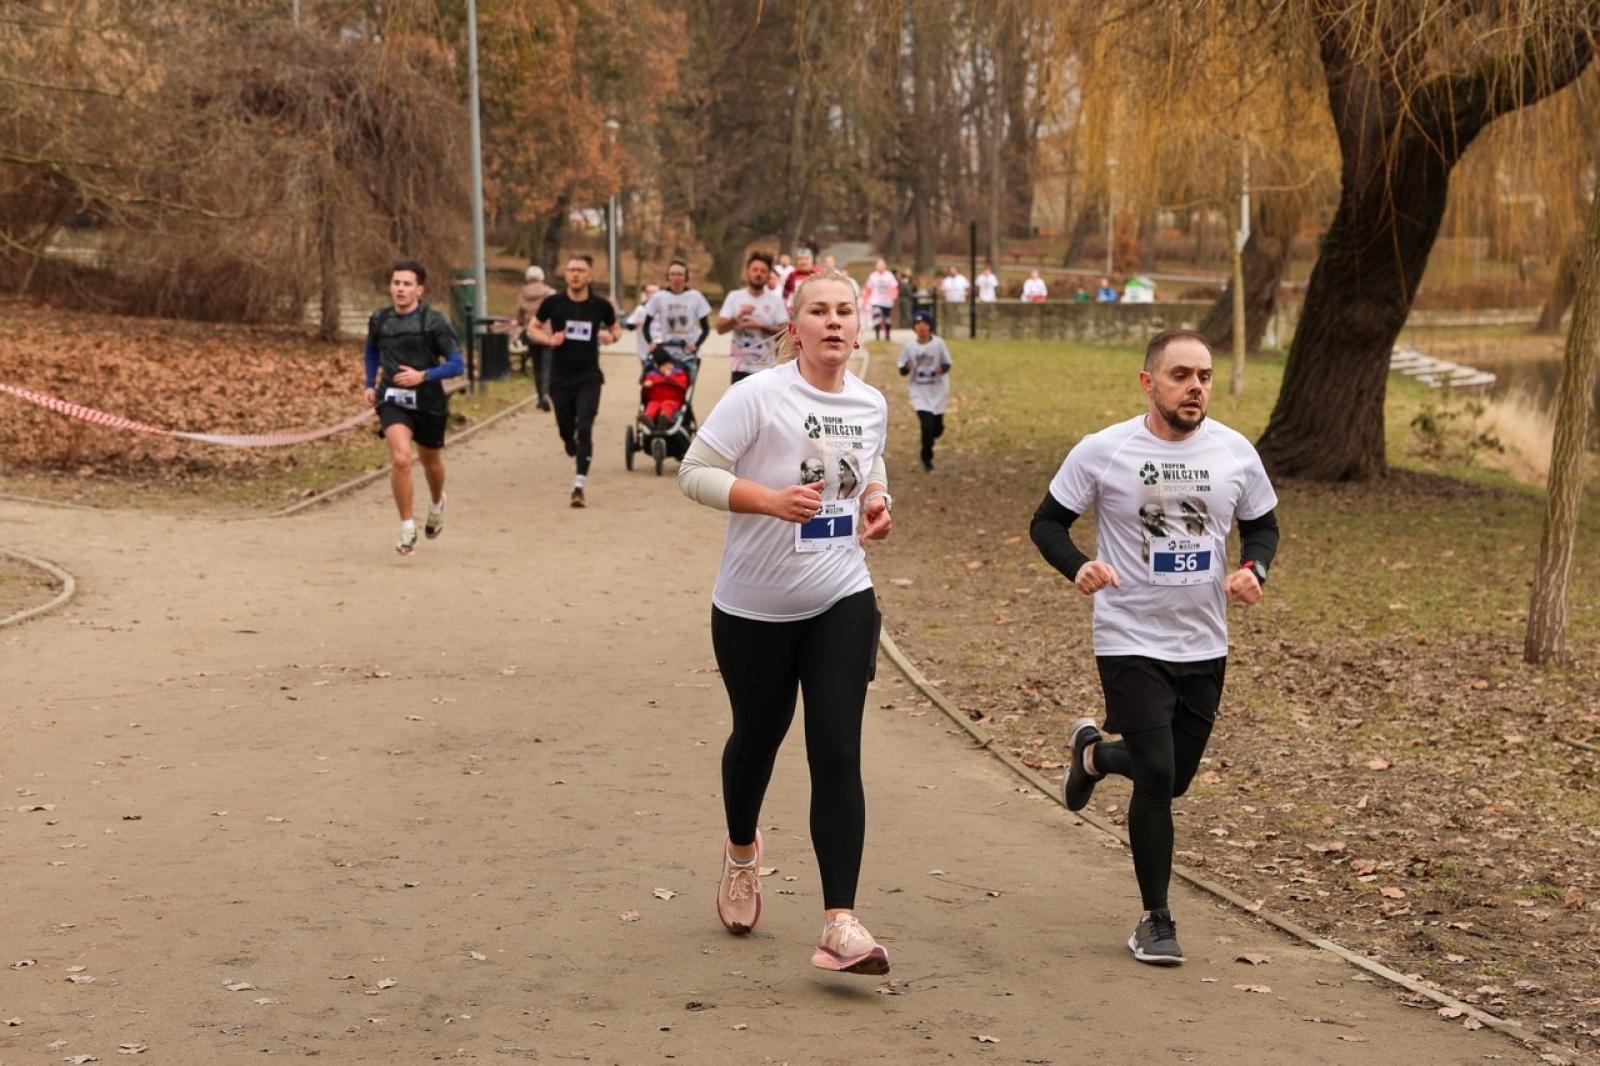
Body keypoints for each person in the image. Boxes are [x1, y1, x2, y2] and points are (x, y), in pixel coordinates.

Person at [1028, 329, 1281, 967]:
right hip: (1129, 637)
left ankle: (1093, 756)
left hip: (1204, 640)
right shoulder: (1104, 450)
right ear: (1148, 383)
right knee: (1159, 777)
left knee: (1175, 777)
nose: (1195, 387)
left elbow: (1262, 525)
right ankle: (1156, 919)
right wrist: (1078, 566)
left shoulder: (1234, 451)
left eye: (1204, 376)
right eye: (1180, 375)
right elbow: (1047, 522)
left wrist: (1254, 569)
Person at [676, 269, 895, 976]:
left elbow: (870, 463)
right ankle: (742, 852)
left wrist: (877, 501)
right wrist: (768, 501)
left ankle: (840, 924)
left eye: (844, 311)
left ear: (858, 327)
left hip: (841, 593)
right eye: (818, 311)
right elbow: (693, 471)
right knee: (758, 738)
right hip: (754, 606)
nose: (833, 322)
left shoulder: (869, 402)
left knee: (836, 749)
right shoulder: (758, 396)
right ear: (793, 327)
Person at [362, 259, 465, 555]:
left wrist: (424, 375)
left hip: (428, 401)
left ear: (419, 289)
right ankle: (407, 528)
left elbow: (457, 364)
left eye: (407, 284)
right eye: (396, 283)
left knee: (431, 461)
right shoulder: (380, 319)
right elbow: (371, 351)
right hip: (392, 399)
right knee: (401, 459)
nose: (400, 289)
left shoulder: (434, 321)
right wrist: (369, 383)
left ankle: (437, 502)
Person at [527, 255, 620, 508]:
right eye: (571, 270)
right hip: (560, 378)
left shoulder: (600, 305)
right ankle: (569, 441)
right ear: (566, 274)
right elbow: (532, 328)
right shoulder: (553, 303)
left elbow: (616, 329)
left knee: (586, 427)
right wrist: (549, 340)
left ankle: (579, 486)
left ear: (589, 275)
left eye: (581, 270)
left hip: (589, 376)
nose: (576, 274)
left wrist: (610, 337)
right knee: (565, 427)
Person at [716, 252, 788, 384]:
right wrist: (738, 317)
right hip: (740, 366)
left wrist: (760, 327)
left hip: (766, 366)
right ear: (747, 272)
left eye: (763, 271)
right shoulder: (734, 297)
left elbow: (784, 333)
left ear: (768, 275)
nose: (758, 274)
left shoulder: (776, 301)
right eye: (755, 270)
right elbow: (720, 329)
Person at [896, 310, 952, 472]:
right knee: (927, 427)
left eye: (925, 323)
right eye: (918, 324)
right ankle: (927, 458)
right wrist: (907, 367)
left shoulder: (939, 344)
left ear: (931, 326)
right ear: (914, 327)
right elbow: (902, 368)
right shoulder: (910, 346)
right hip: (919, 392)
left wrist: (941, 369)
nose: (921, 327)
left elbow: (947, 363)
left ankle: (934, 433)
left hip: (938, 391)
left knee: (936, 429)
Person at [642, 260, 712, 364]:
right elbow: (646, 325)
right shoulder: (659, 297)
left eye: (680, 274)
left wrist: (696, 344)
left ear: (686, 277)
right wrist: (650, 342)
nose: (676, 278)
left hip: (689, 352)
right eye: (673, 274)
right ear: (668, 277)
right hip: (666, 350)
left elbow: (705, 328)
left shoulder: (696, 297)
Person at [515, 265, 555, 410]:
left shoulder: (522, 294)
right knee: (548, 366)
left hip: (531, 334)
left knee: (537, 366)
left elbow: (519, 316)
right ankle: (545, 394)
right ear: (542, 277)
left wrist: (523, 322)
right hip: (547, 335)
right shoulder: (550, 293)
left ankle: (540, 397)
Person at [642, 348, 689, 429]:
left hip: (673, 399)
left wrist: (670, 377)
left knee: (667, 405)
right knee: (651, 406)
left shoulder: (678, 374)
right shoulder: (652, 375)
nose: (667, 367)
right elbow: (645, 394)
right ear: (658, 367)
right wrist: (646, 386)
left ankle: (663, 419)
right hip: (655, 400)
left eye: (669, 364)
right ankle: (648, 419)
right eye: (664, 365)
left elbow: (683, 384)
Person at [625, 282, 663, 375]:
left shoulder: (665, 308)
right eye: (649, 292)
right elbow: (629, 325)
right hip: (645, 350)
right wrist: (637, 323)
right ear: (645, 294)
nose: (652, 295)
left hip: (663, 348)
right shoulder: (641, 309)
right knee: (649, 376)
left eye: (655, 292)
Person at [863, 258, 900, 342]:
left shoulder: (889, 275)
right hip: (876, 300)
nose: (880, 267)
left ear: (885, 266)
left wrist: (894, 295)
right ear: (876, 266)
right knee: (877, 317)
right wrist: (866, 298)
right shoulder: (873, 276)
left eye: (882, 265)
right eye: (879, 265)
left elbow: (894, 287)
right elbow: (868, 288)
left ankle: (887, 335)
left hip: (887, 301)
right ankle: (877, 336)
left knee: (887, 319)